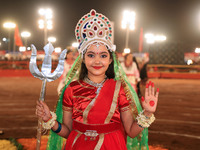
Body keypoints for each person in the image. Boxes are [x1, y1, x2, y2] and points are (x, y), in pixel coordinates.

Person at [36, 9, 159, 150]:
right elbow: (68, 132)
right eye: (91, 55)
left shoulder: (119, 88)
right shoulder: (71, 89)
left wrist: (148, 113)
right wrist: (49, 120)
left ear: (111, 60)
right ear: (83, 59)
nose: (97, 61)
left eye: (103, 55)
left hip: (112, 145)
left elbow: (131, 132)